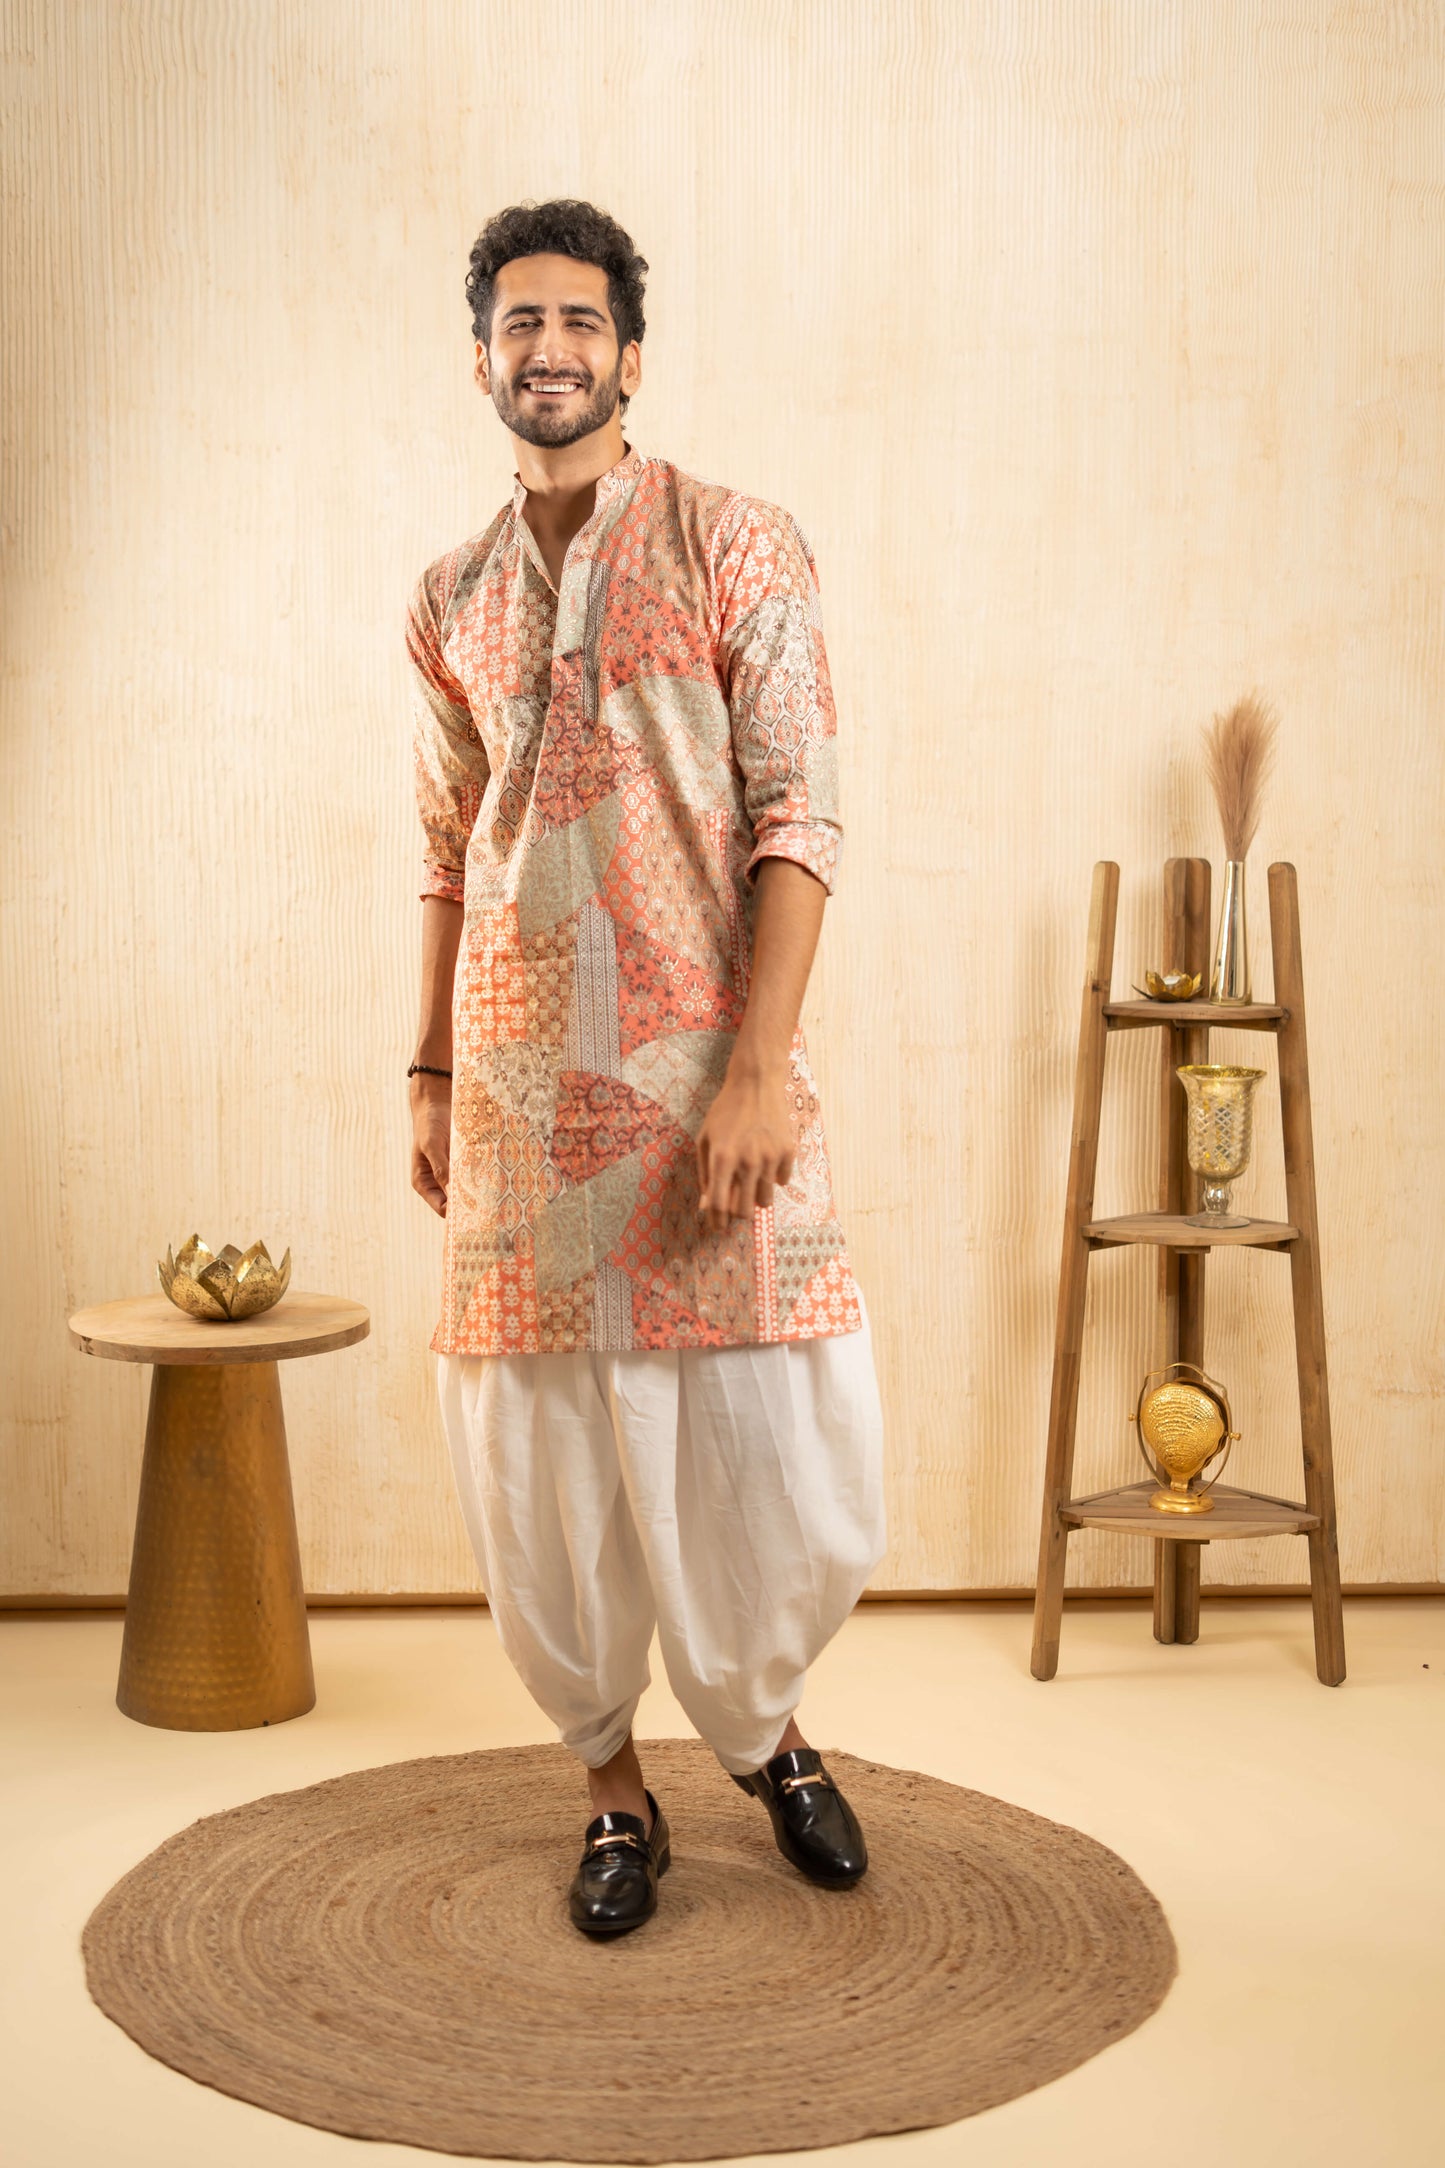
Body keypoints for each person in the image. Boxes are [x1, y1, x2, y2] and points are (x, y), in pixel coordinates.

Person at [406, 198, 886, 1937]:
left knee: (779, 1446)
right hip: (525, 1091)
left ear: (629, 352)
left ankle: (762, 1736)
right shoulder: (448, 597)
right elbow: (450, 845)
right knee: (545, 1463)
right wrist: (428, 1071)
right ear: (481, 356)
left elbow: (801, 813)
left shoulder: (735, 541)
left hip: (706, 1078)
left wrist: (760, 1070)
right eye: (519, 323)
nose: (550, 351)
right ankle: (613, 1787)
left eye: (580, 323)